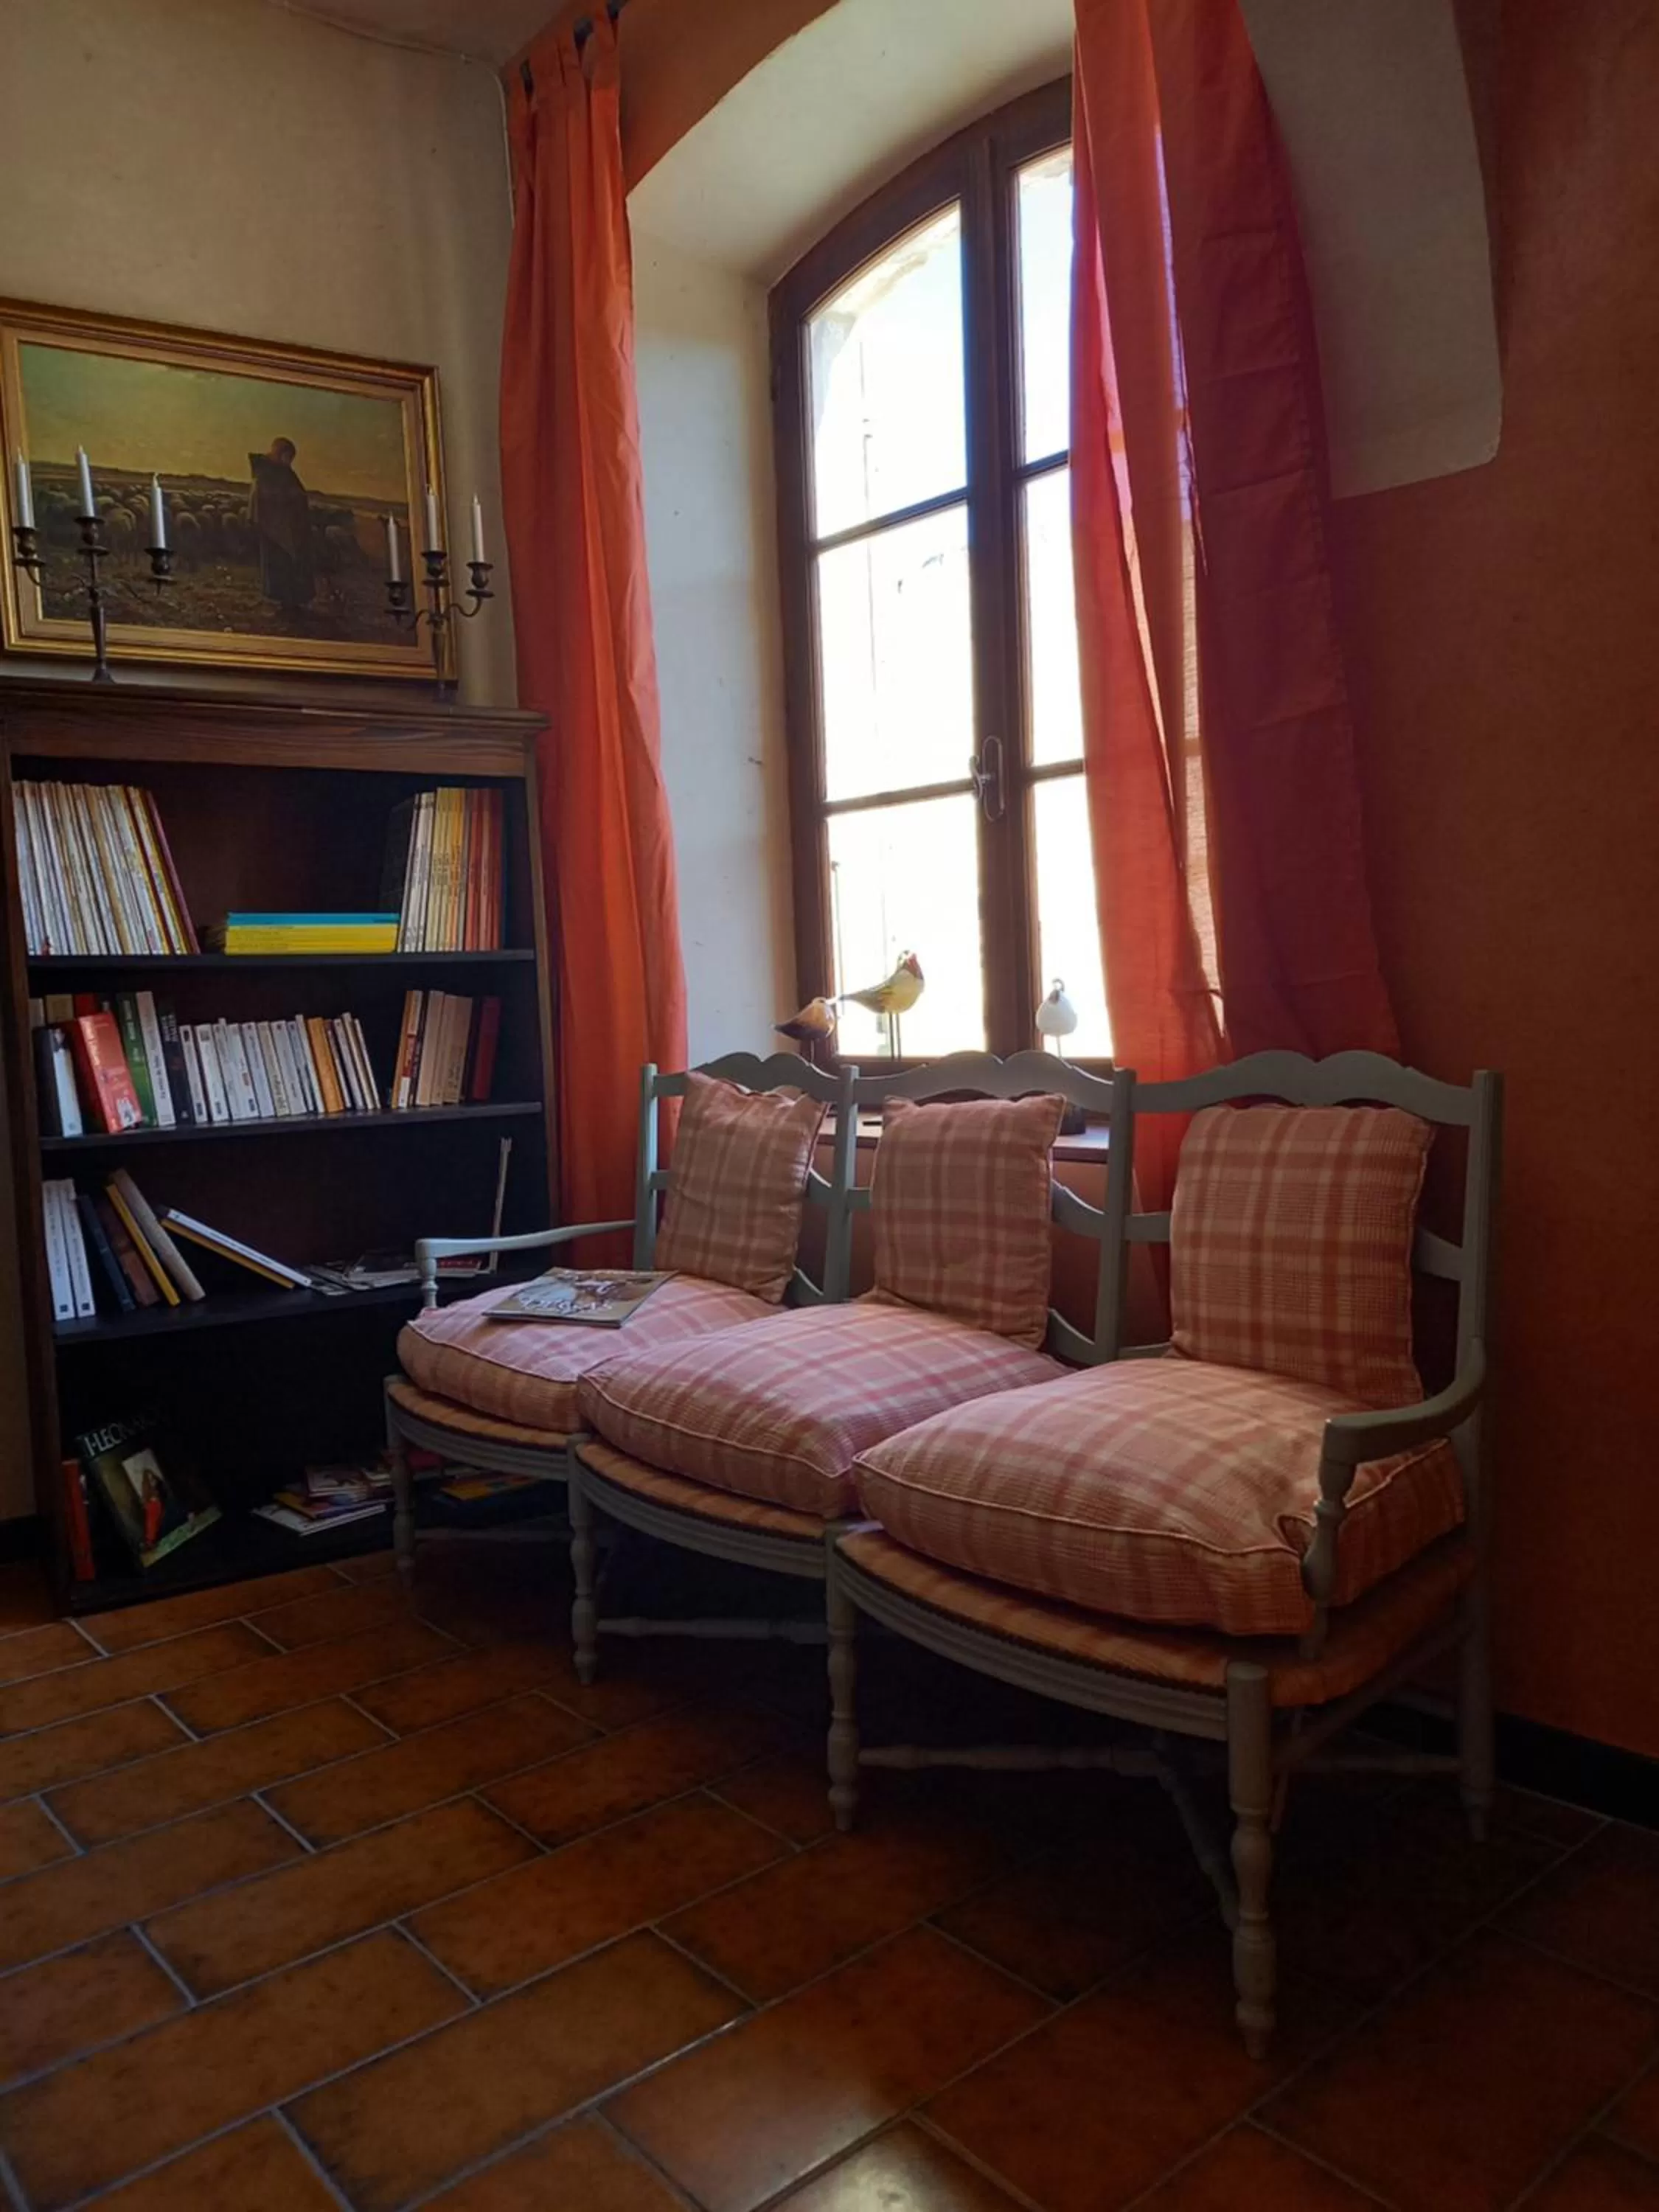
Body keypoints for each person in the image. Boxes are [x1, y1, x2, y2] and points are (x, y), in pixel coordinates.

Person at [248, 437, 315, 612]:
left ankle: (292, 601)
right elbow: (266, 498)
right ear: (280, 453)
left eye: (291, 458)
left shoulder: (283, 473)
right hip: (276, 529)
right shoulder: (266, 473)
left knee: (292, 565)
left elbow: (297, 494)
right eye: (287, 456)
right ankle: (286, 601)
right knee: (281, 565)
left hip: (291, 528)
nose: (289, 461)